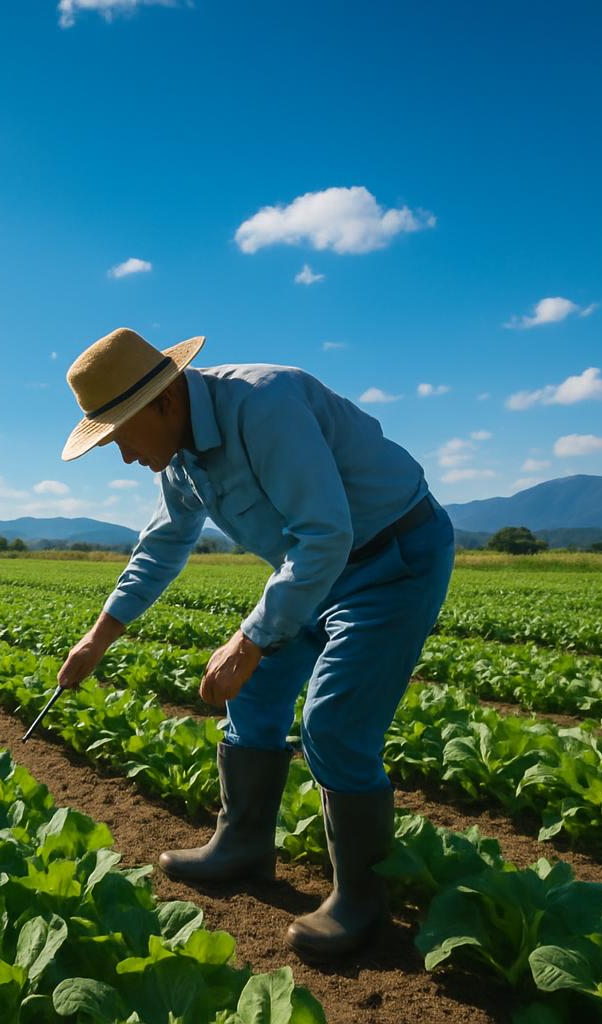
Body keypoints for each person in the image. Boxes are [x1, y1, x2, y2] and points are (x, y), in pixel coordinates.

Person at [56, 327, 454, 961]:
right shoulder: (182, 452)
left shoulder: (262, 407)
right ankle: (243, 844)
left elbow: (326, 534)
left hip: (390, 560)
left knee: (334, 726)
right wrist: (96, 641)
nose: (125, 455)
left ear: (163, 401)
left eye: (120, 435)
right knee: (258, 695)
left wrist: (248, 639)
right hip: (315, 564)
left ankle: (361, 900)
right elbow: (162, 546)